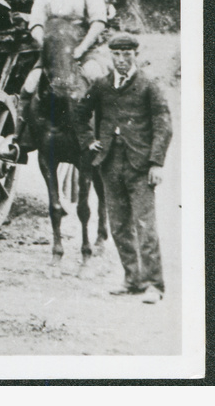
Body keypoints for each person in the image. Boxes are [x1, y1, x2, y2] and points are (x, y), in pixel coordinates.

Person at [77, 33, 172, 304]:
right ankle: (132, 280)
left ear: (135, 55)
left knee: (145, 225)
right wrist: (89, 142)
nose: (121, 60)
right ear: (111, 56)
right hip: (109, 164)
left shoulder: (148, 85)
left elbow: (163, 125)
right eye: (116, 55)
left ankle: (154, 284)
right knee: (118, 225)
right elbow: (80, 113)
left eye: (126, 54)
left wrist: (156, 163)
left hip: (140, 166)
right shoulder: (102, 85)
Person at [22, 0, 110, 96]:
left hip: (84, 49)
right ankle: (22, 119)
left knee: (95, 75)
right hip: (53, 51)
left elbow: (98, 21)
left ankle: (106, 119)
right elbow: (36, 23)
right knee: (30, 85)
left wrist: (82, 48)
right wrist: (46, 44)